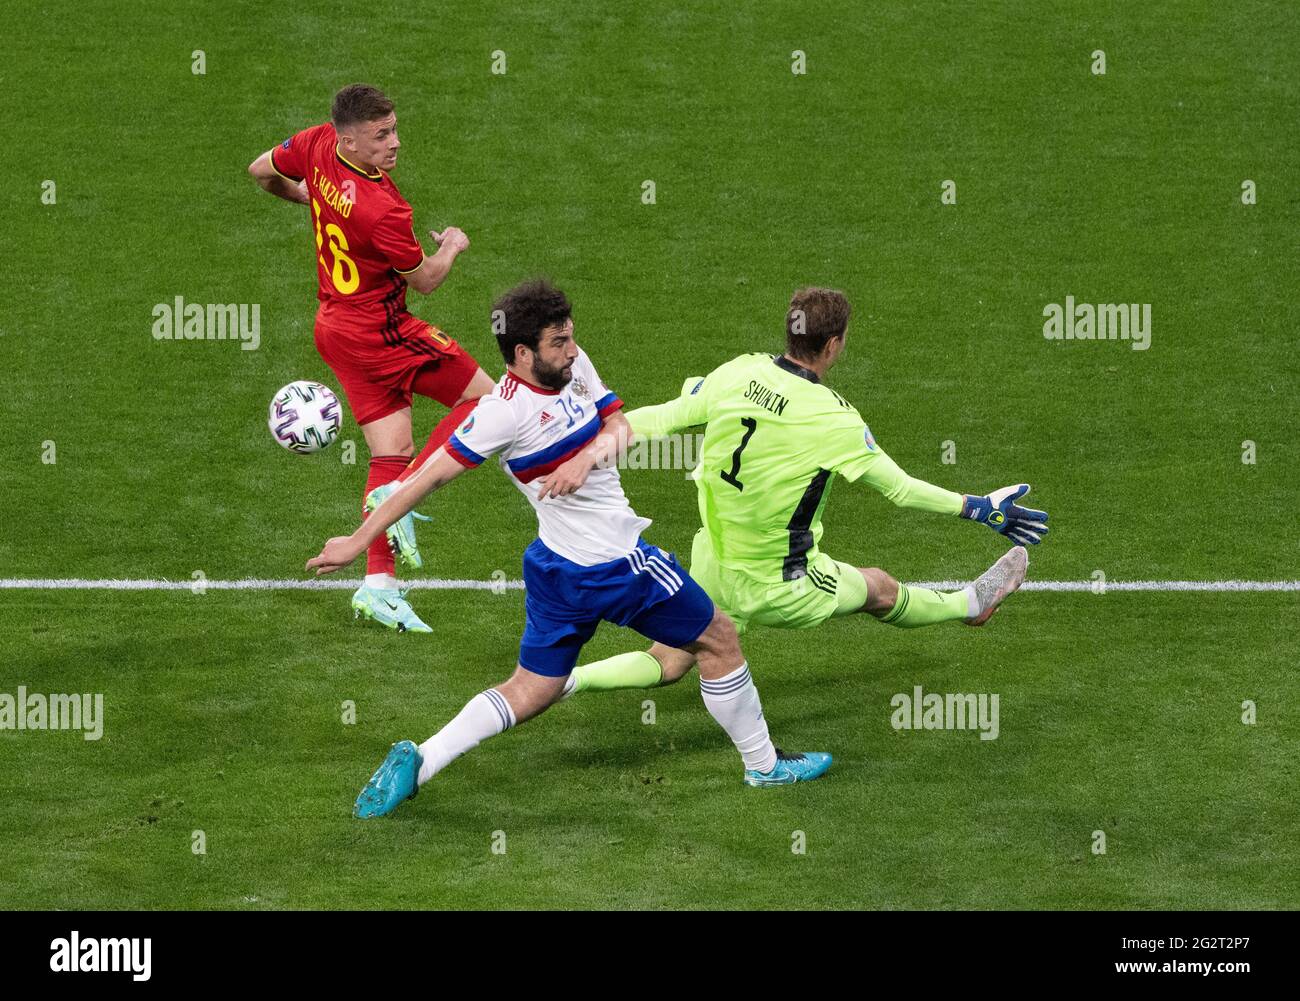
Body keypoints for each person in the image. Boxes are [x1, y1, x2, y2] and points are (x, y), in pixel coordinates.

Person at [307, 280, 833, 817]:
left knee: (534, 689)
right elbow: (427, 479)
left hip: (556, 568)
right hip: (618, 565)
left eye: (571, 337)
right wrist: (359, 539)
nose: (573, 350)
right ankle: (764, 766)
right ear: (522, 353)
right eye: (558, 342)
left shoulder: (573, 369)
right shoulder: (500, 414)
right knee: (720, 639)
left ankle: (422, 758)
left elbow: (620, 426)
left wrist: (587, 458)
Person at [565, 287, 1048, 698]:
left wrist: (590, 441)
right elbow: (900, 491)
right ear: (834, 344)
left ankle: (565, 681)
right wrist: (980, 509)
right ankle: (970, 604)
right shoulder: (833, 418)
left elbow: (663, 417)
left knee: (672, 658)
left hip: (714, 559)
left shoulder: (740, 372)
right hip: (781, 581)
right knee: (878, 587)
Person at [250, 83, 495, 633]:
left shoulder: (314, 146)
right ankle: (399, 493)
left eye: (394, 130)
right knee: (491, 401)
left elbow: (260, 172)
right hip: (382, 332)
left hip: (333, 327)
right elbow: (427, 281)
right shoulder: (385, 209)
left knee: (393, 449)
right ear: (349, 138)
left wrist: (311, 196)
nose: (395, 143)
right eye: (381, 135)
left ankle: (378, 587)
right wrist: (452, 243)